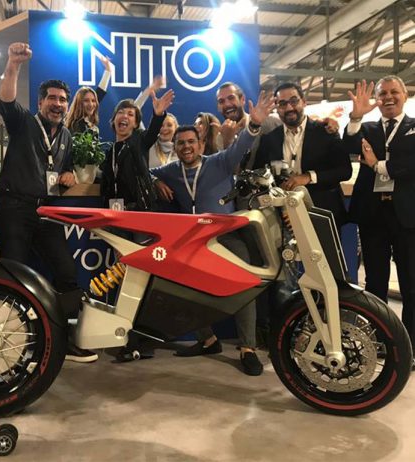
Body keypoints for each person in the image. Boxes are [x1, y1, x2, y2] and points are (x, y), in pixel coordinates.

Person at [151, 91, 275, 376]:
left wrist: (255, 123)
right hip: (193, 241)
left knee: (244, 285)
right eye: (181, 143)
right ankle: (208, 340)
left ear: (200, 143)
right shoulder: (171, 170)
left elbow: (242, 145)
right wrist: (155, 181)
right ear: (175, 147)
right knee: (177, 288)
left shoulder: (219, 161)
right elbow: (148, 172)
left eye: (191, 142)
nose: (186, 147)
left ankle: (247, 348)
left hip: (227, 237)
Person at [0, 42, 96, 363]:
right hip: (13, 209)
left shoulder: (66, 136)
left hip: (46, 213)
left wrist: (69, 175)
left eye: (63, 99)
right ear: (40, 102)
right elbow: (7, 99)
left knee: (66, 272)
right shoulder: (23, 122)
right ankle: (12, 341)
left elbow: (62, 170)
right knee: (15, 275)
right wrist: (13, 64)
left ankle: (66, 339)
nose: (58, 104)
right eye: (52, 98)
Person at [343, 77, 415, 362]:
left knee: (411, 283)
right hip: (373, 217)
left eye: (394, 92)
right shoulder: (367, 128)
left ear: (405, 95)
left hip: (407, 218)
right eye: (382, 93)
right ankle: (379, 342)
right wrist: (355, 117)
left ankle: (410, 347)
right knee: (374, 283)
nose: (388, 97)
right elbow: (348, 146)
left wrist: (377, 165)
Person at [253, 82, 352, 227]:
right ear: (277, 108)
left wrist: (308, 177)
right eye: (282, 104)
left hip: (322, 213)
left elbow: (344, 171)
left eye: (294, 101)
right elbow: (258, 172)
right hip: (283, 217)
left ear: (304, 102)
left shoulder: (326, 131)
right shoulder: (269, 139)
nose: (289, 108)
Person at [100, 89, 174, 212]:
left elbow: (151, 133)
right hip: (115, 212)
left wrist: (158, 116)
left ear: (135, 124)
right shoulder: (110, 151)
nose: (124, 116)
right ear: (113, 120)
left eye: (130, 114)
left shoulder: (139, 139)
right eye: (120, 112)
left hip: (141, 211)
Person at [65, 55, 111, 137]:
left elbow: (100, 93)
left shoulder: (89, 125)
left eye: (93, 101)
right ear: (79, 102)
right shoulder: (73, 125)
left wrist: (108, 71)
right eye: (86, 100)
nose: (91, 104)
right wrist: (108, 71)